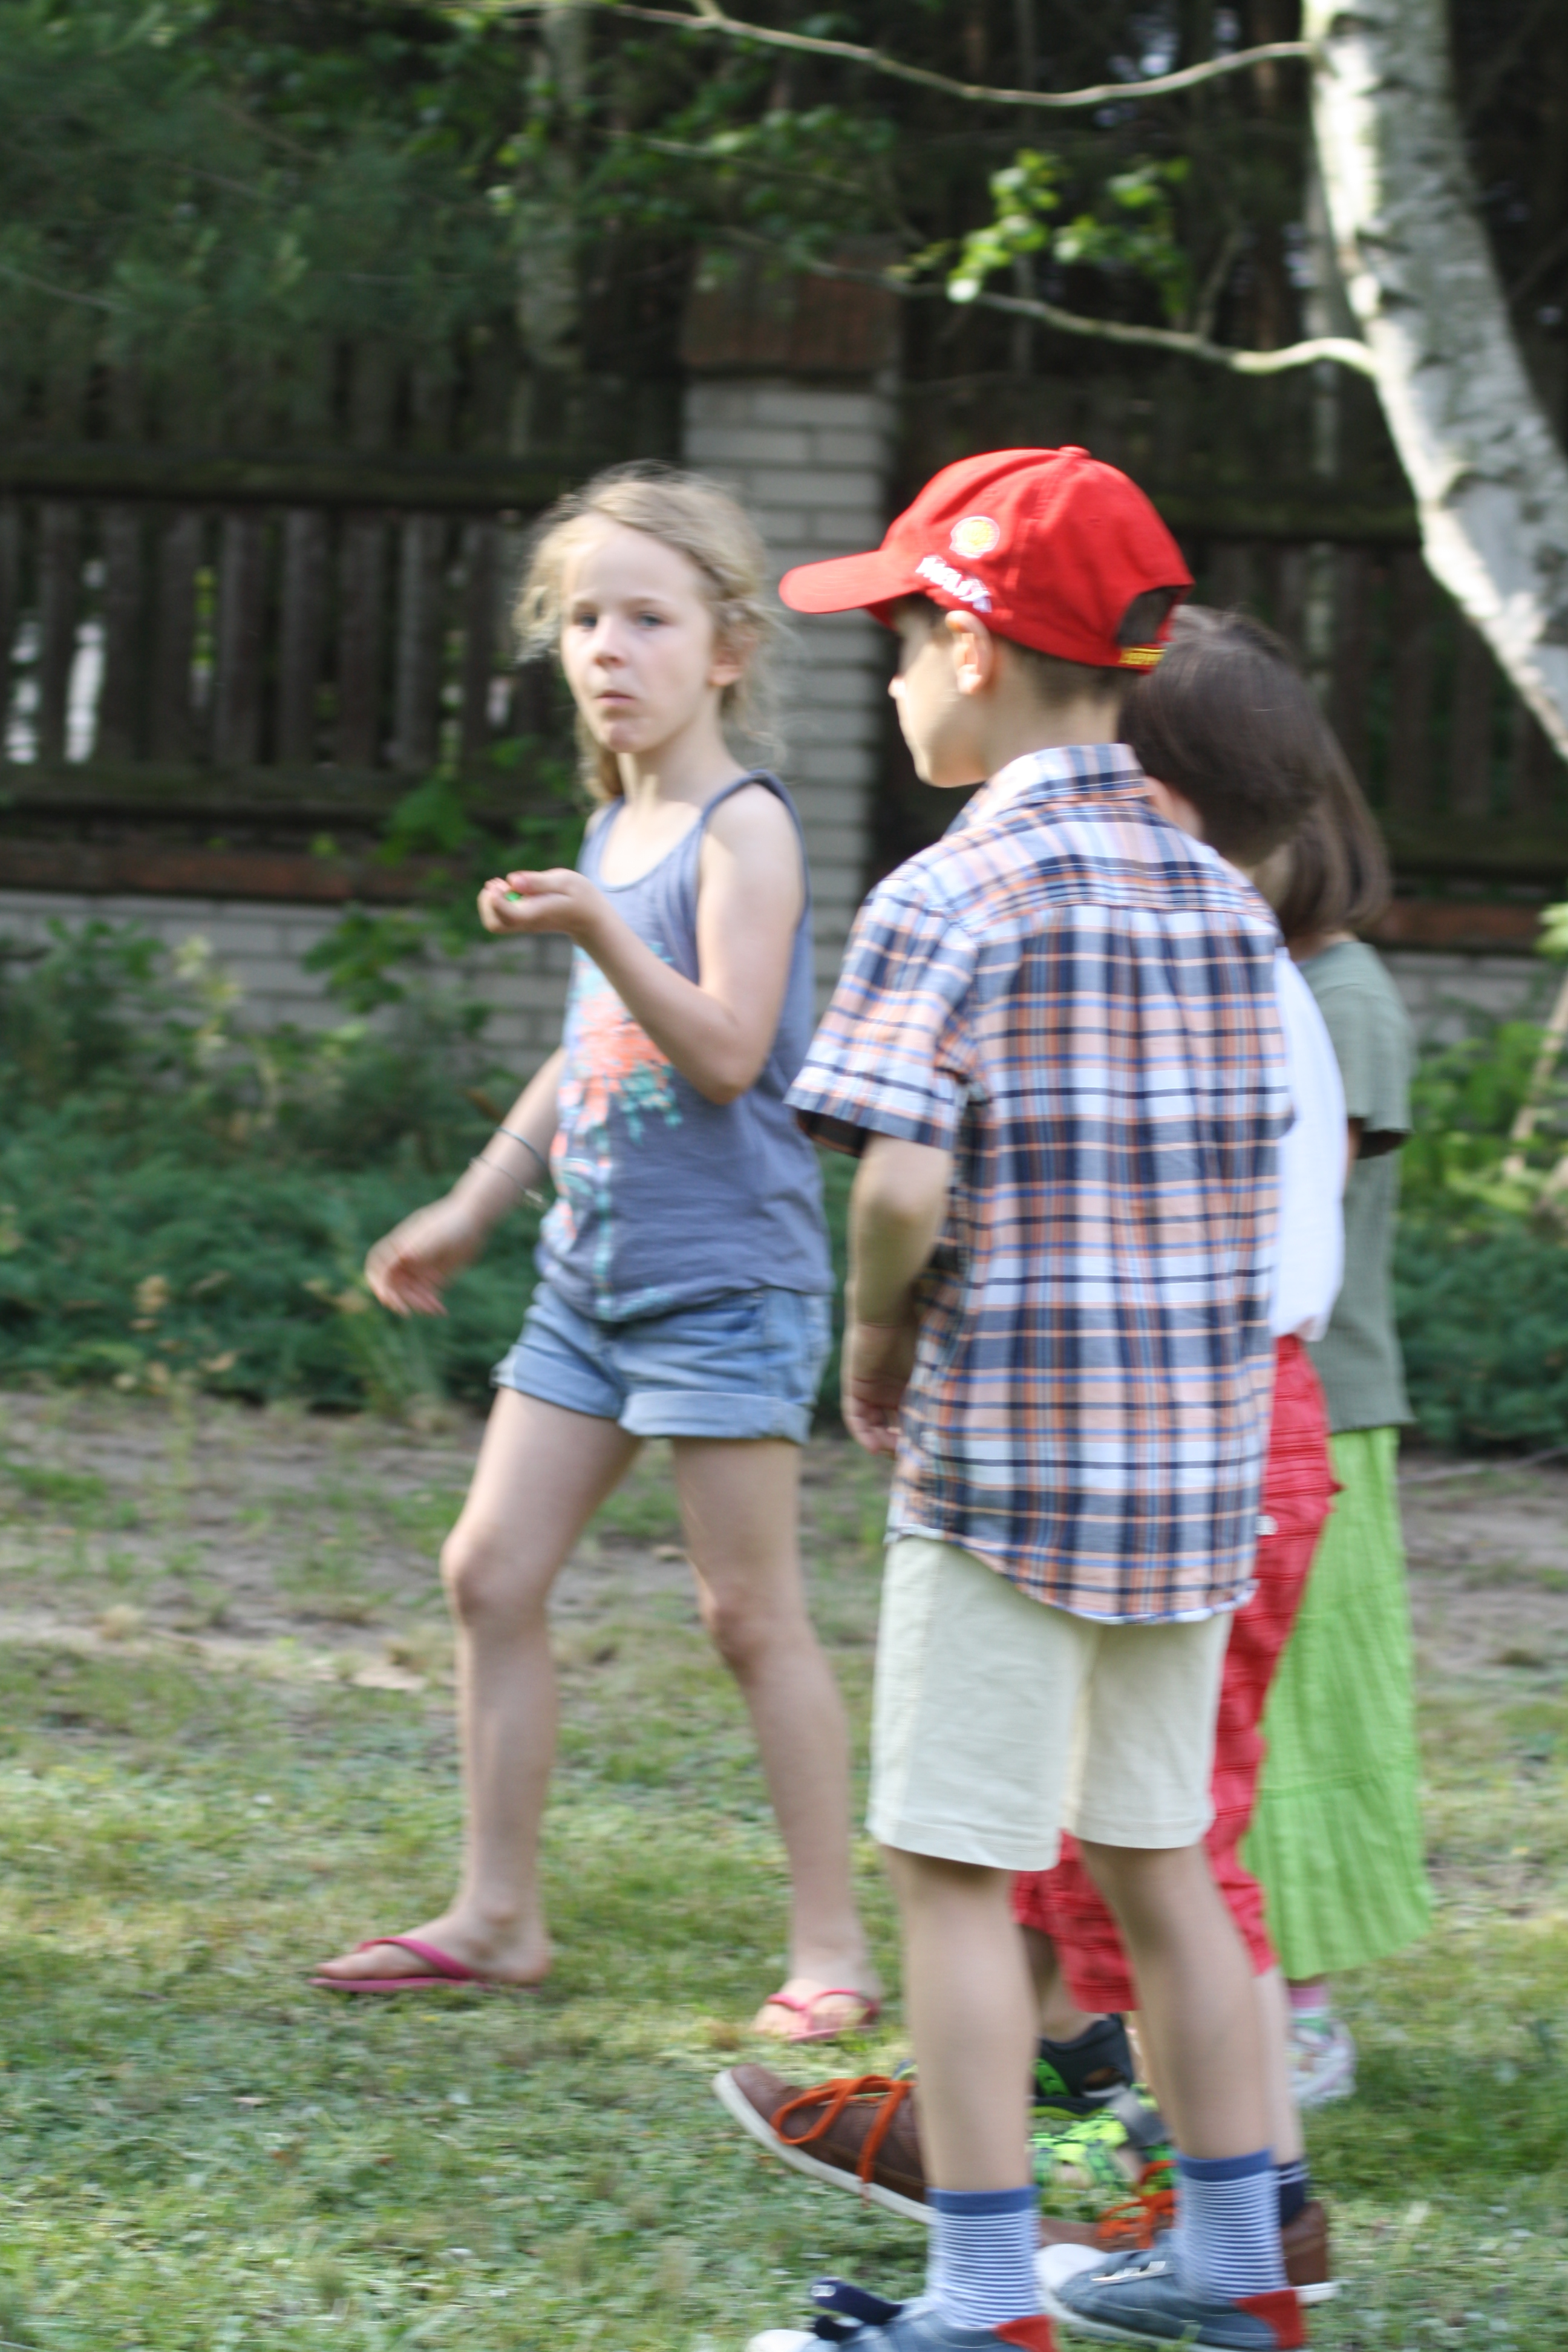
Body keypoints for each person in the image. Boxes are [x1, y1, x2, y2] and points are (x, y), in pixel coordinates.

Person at [720, 613, 1345, 2313]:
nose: (892, 678)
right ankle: (1241, 2273)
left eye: (904, 638)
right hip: (1196, 1477)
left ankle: (984, 2301)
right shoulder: (1225, 903)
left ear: (977, 647)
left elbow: (900, 1186)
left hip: (1007, 1469)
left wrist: (875, 1337)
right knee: (1162, 1866)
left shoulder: (951, 892)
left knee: (952, 1875)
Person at [313, 462, 881, 2042]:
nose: (610, 649)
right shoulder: (613, 828)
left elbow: (727, 1051)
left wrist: (601, 929)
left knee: (747, 1615)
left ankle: (833, 1947)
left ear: (729, 649)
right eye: (583, 621)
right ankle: (498, 1916)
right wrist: (477, 1200)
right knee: (487, 1571)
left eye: (649, 618)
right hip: (590, 1282)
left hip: (727, 1285)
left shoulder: (743, 831)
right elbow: (591, 1056)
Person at [1241, 759, 1432, 2104]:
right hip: (1264, 1402)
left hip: (1328, 1410)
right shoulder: (1280, 984)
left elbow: (1290, 1197)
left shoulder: (1343, 997)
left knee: (1302, 1719)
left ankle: (1303, 2015)